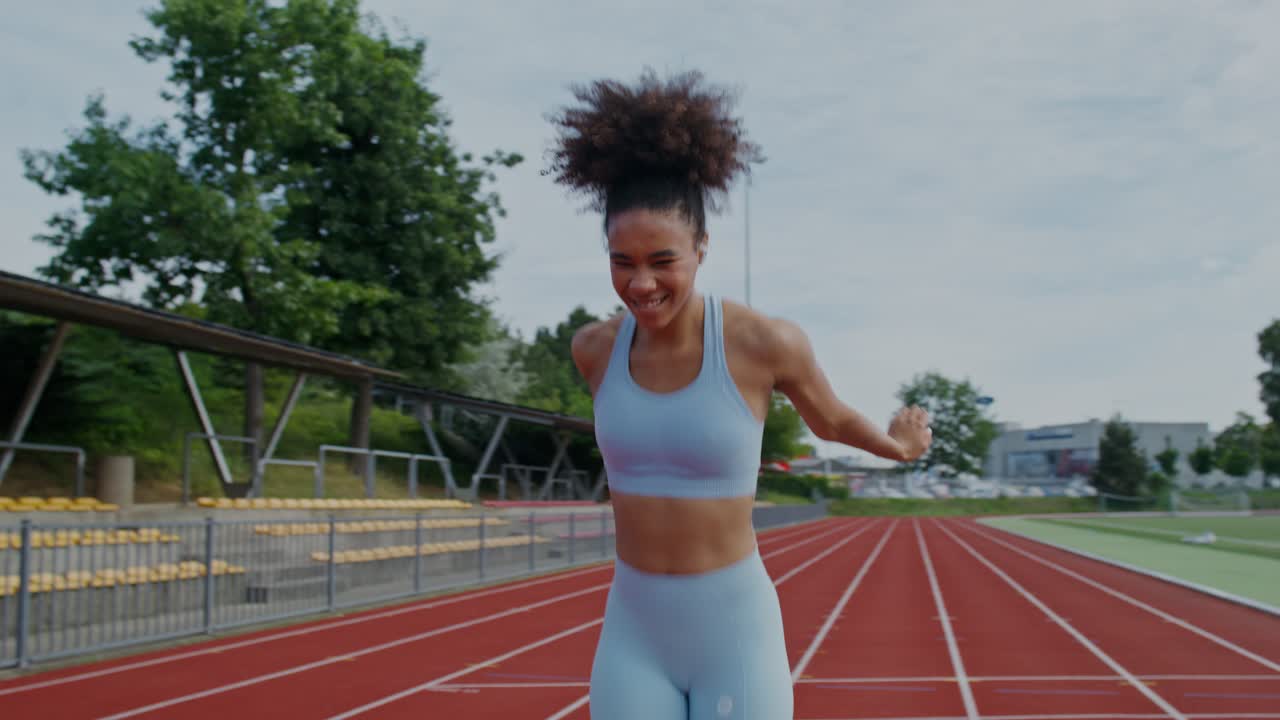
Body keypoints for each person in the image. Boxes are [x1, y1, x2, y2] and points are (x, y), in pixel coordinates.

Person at [547, 69, 933, 720]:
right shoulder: (594, 351)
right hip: (634, 628)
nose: (640, 283)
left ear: (701, 247)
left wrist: (897, 446)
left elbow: (831, 419)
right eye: (622, 261)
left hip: (732, 628)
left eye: (662, 260)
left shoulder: (761, 343)